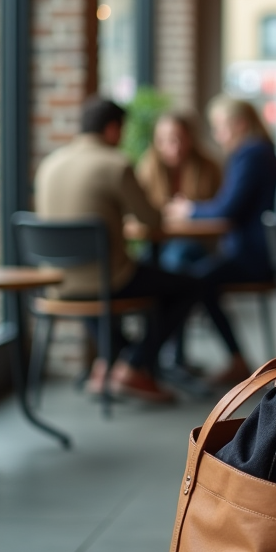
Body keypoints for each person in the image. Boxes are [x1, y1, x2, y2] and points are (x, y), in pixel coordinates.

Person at [35, 97, 202, 403]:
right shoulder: (115, 164)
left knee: (93, 279)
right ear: (113, 129)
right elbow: (151, 220)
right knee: (190, 285)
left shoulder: (49, 164)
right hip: (108, 280)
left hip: (56, 282)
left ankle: (112, 361)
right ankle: (133, 366)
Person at [165, 96, 276, 384]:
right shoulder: (262, 151)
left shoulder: (250, 154)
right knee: (186, 268)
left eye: (220, 127)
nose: (217, 137)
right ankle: (175, 357)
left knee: (197, 281)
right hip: (262, 252)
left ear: (239, 125)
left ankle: (237, 360)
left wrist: (188, 209)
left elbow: (227, 209)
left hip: (253, 256)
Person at [136, 112, 222, 271]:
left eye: (178, 139)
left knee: (174, 260)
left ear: (190, 138)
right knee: (143, 266)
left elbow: (218, 208)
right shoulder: (147, 168)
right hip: (157, 240)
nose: (173, 147)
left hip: (196, 240)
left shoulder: (208, 168)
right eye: (164, 140)